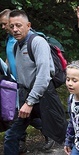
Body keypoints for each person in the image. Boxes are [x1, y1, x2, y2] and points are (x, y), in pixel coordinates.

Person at [4, 9, 67, 154]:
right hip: (27, 95)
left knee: (63, 136)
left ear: (28, 25)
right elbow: (21, 75)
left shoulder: (38, 42)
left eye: (18, 25)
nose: (15, 29)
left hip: (45, 95)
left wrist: (30, 102)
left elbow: (44, 76)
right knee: (11, 136)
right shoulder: (15, 46)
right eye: (12, 26)